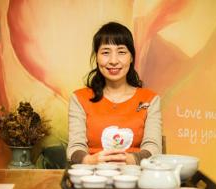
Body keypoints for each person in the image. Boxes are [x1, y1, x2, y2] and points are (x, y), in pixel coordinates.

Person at [67, 22, 162, 165]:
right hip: (92, 177)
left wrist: (131, 159)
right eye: (105, 52)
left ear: (131, 57)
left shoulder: (150, 99)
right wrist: (90, 160)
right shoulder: (79, 98)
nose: (113, 61)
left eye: (121, 52)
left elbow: (153, 148)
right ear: (97, 57)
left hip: (135, 176)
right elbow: (75, 147)